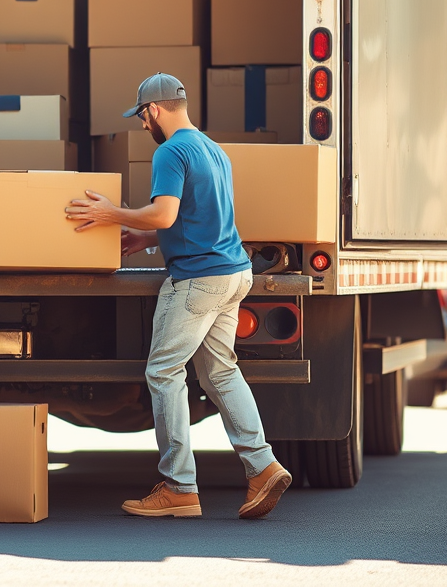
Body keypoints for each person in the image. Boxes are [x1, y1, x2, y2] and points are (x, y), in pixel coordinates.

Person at [65, 72, 292, 520]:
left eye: (141, 116)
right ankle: (263, 467)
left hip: (198, 280)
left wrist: (111, 214)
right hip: (234, 273)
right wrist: (145, 239)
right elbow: (199, 216)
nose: (142, 124)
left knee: (164, 372)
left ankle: (179, 487)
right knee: (221, 373)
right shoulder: (213, 150)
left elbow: (165, 213)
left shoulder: (170, 151)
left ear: (154, 109)